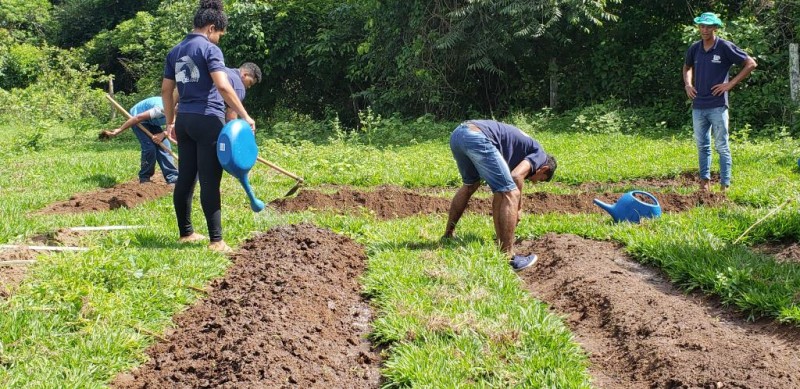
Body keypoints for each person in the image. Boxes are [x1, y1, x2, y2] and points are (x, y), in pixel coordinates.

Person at [161, 0, 256, 253]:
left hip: (185, 121)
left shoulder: (176, 51)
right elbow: (224, 86)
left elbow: (167, 90)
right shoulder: (209, 49)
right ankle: (217, 241)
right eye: (219, 36)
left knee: (186, 178)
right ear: (212, 28)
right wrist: (245, 116)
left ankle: (186, 233)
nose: (218, 41)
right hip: (207, 119)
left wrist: (170, 122)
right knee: (210, 181)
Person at [443, 120, 557, 272]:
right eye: (540, 180)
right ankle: (508, 257)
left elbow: (501, 188)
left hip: (458, 135)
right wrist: (518, 207)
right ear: (543, 169)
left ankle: (448, 235)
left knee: (471, 185)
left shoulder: (526, 148)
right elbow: (517, 176)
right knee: (510, 193)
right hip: (476, 136)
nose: (535, 183)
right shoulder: (540, 155)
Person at [683, 12, 757, 192]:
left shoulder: (724, 46)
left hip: (718, 106)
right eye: (702, 26)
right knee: (702, 146)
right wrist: (688, 84)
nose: (705, 30)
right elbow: (687, 66)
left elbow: (751, 63)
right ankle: (704, 183)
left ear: (715, 27)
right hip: (698, 105)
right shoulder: (695, 48)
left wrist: (730, 84)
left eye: (709, 26)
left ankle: (724, 186)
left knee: (722, 146)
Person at [101, 94, 179, 185]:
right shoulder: (160, 109)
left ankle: (172, 178)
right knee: (149, 148)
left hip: (153, 122)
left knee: (165, 146)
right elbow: (138, 118)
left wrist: (162, 134)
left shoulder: (182, 113)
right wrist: (119, 130)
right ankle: (144, 178)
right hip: (138, 118)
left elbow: (170, 128)